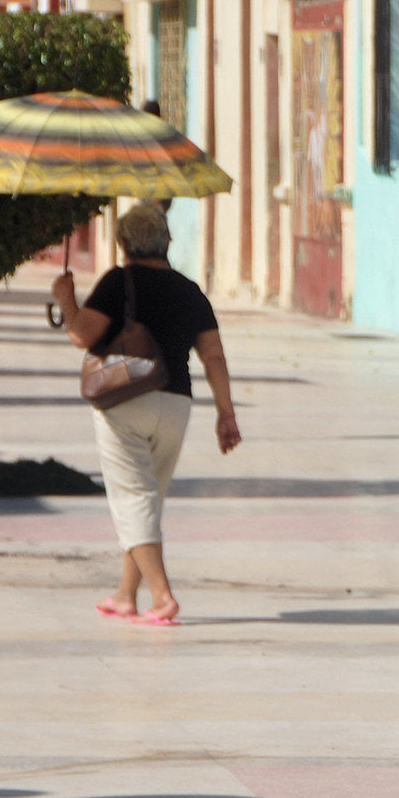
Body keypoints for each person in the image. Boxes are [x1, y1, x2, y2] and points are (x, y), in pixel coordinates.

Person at [50, 201, 241, 624]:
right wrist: (226, 413)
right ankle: (124, 594)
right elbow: (214, 356)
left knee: (132, 498)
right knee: (147, 500)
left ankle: (162, 596)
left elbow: (83, 334)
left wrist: (66, 300)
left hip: (125, 400)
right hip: (176, 403)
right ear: (166, 241)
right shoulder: (190, 290)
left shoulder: (119, 282)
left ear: (122, 244)